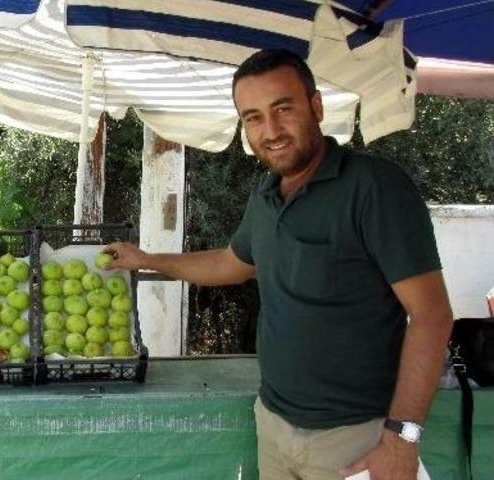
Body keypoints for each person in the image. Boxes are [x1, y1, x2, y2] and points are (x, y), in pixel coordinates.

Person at [104, 49, 453, 480]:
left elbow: (432, 314)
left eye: (282, 109)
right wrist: (145, 259)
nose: (270, 131)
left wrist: (402, 438)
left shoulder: (374, 188)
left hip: (356, 439)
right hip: (274, 424)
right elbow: (232, 263)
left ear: (317, 107)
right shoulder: (266, 195)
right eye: (253, 117)